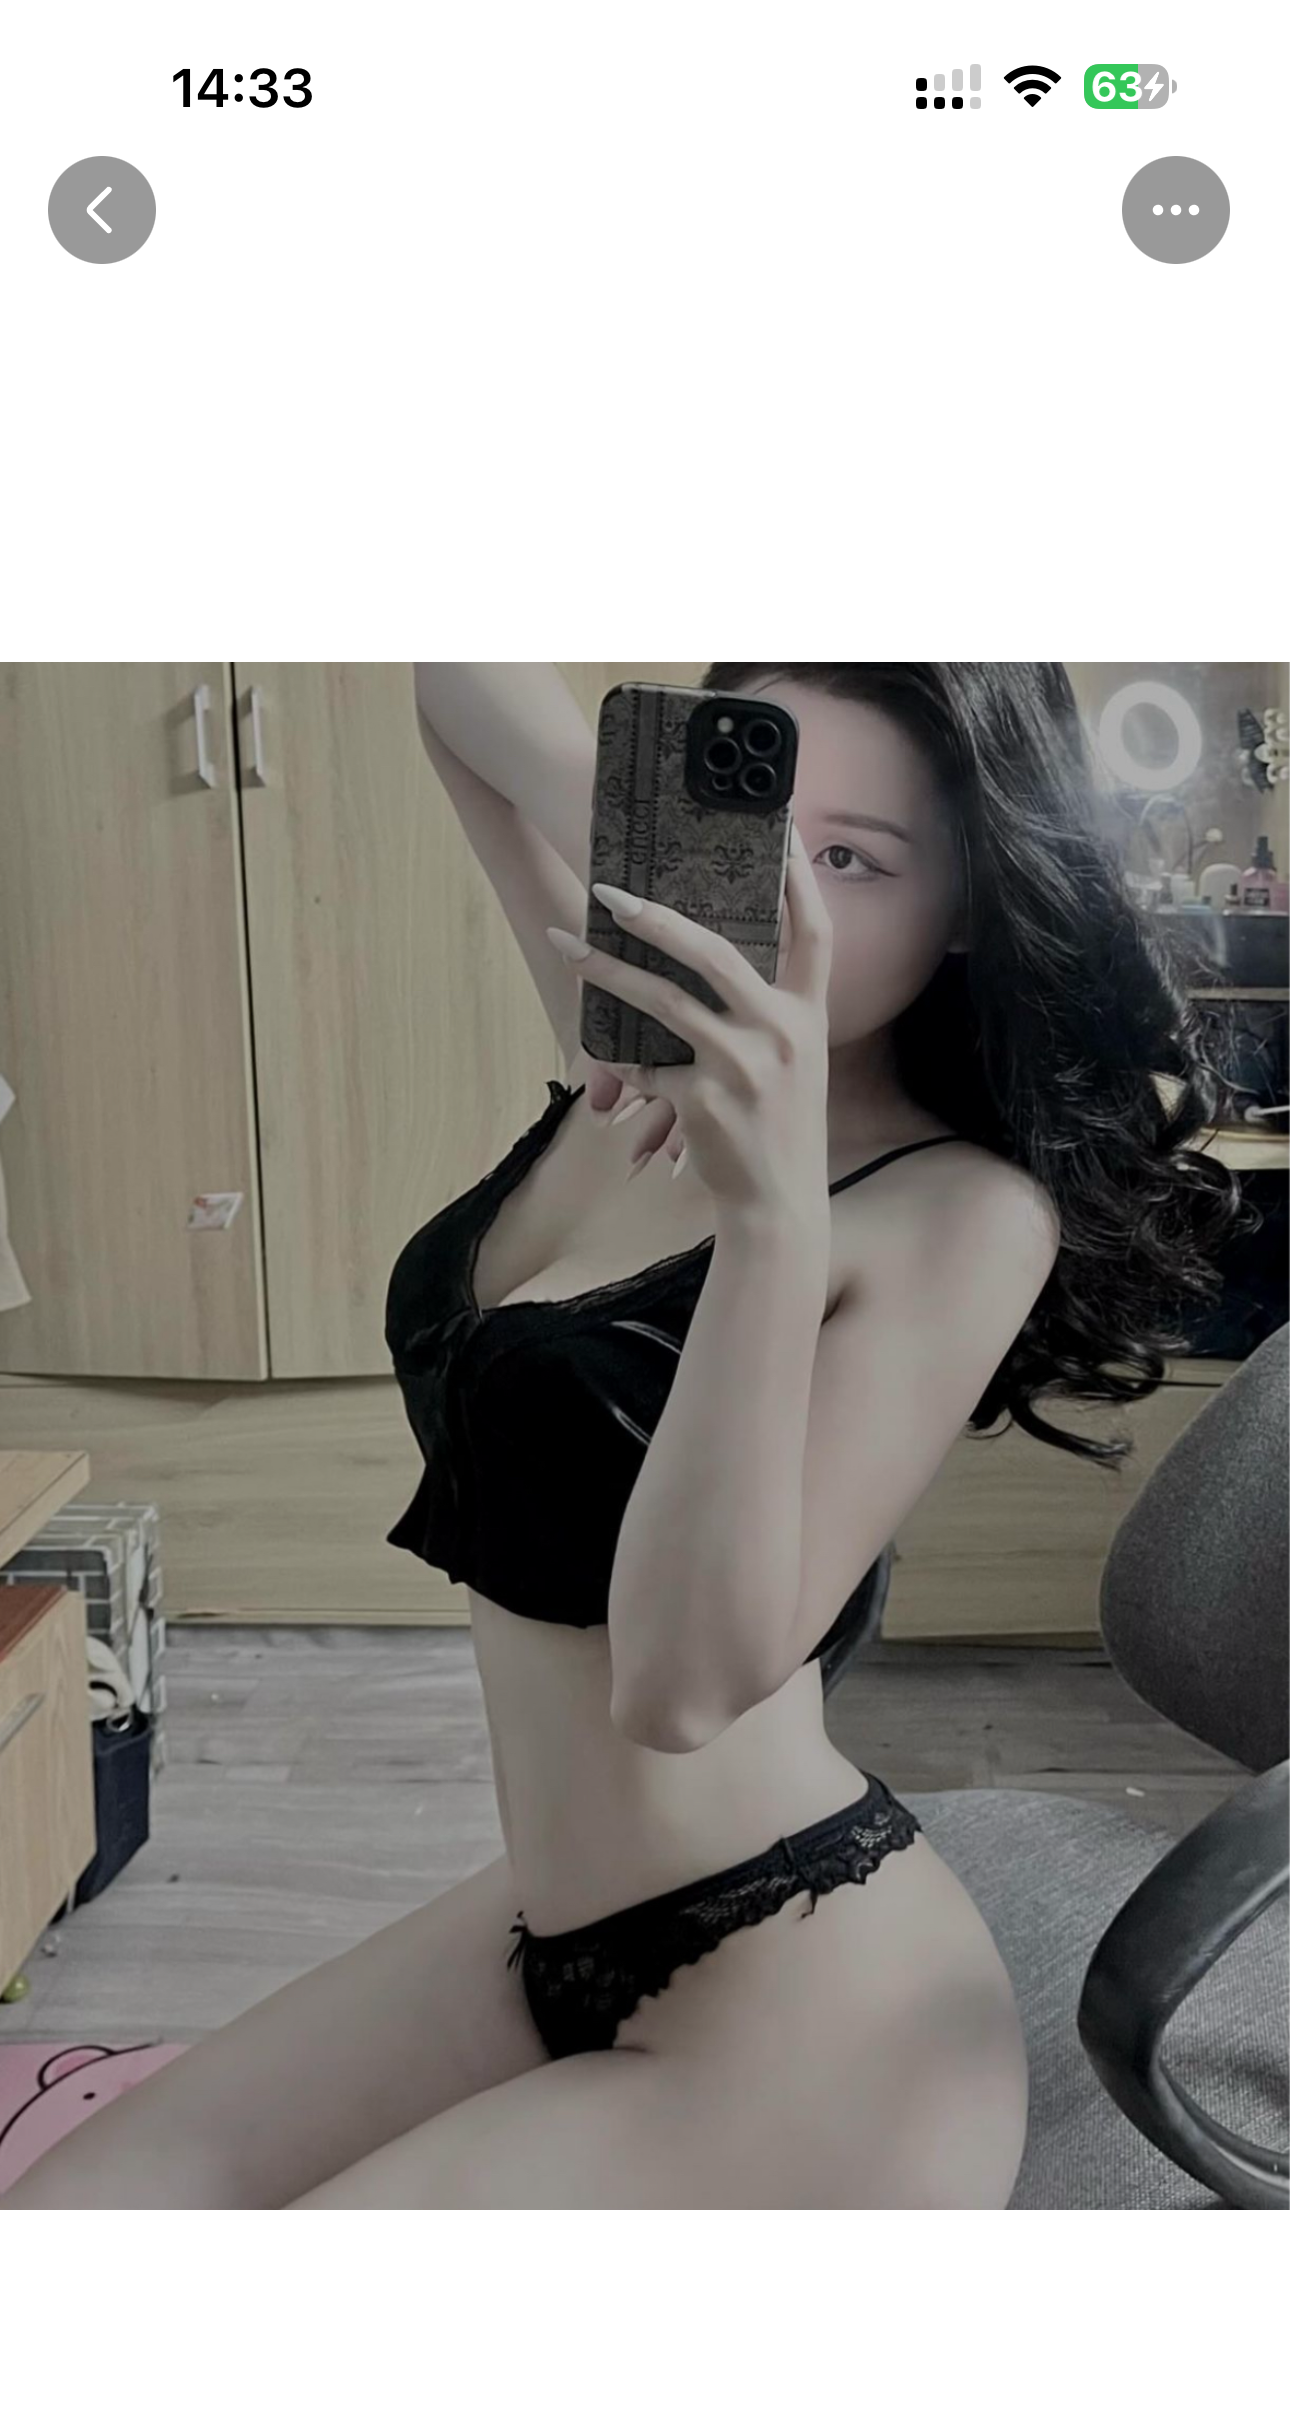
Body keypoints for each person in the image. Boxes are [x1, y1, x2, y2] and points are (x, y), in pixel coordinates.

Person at [4, 663, 1240, 2211]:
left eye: (849, 862)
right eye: (752, 830)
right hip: (545, 1921)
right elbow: (451, 686)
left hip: (803, 2013)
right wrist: (673, 859)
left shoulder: (960, 1218)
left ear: (965, 910)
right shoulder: (635, 1078)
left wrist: (770, 1216)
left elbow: (675, 1688)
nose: (774, 910)